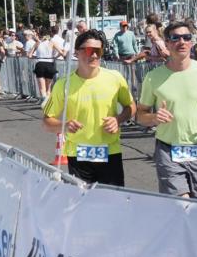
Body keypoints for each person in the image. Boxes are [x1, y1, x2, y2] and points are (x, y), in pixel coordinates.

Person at [136, 20, 197, 201]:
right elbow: (140, 114)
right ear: (167, 43)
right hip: (169, 151)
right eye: (175, 38)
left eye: (186, 37)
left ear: (191, 42)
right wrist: (154, 117)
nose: (181, 42)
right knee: (179, 206)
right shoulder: (153, 77)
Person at [42, 29, 133, 186]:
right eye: (90, 50)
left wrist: (118, 119)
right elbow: (46, 122)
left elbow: (131, 107)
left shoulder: (115, 78)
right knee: (83, 206)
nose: (95, 55)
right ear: (77, 52)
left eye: (99, 51)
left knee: (114, 205)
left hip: (110, 152)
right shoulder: (63, 85)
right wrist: (64, 125)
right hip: (78, 155)